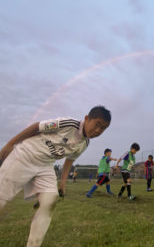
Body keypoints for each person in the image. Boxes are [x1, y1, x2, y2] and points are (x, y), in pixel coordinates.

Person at [0, 105, 111, 247]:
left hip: (45, 165)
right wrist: (10, 144)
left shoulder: (85, 143)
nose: (98, 131)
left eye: (103, 128)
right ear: (87, 119)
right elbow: (36, 127)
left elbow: (70, 159)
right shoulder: (69, 124)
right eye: (97, 125)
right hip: (25, 155)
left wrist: (63, 182)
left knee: (50, 200)